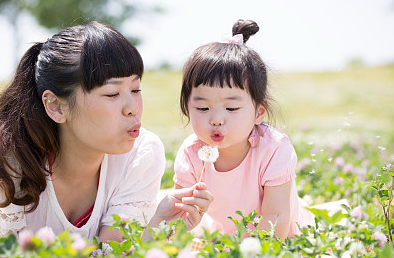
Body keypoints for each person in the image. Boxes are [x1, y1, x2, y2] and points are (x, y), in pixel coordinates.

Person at [0, 21, 213, 242]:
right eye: (112, 94)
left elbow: (112, 251)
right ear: (55, 105)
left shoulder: (141, 154)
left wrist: (158, 225)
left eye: (135, 89)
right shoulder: (9, 162)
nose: (132, 108)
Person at [173, 19, 314, 240]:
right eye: (202, 107)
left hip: (285, 238)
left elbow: (275, 216)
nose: (217, 119)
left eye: (231, 108)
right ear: (186, 107)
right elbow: (180, 214)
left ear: (259, 112)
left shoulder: (273, 149)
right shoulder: (190, 153)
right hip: (227, 239)